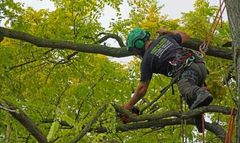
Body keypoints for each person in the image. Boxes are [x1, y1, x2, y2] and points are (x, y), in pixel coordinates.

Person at [122, 27, 213, 133]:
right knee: (190, 98)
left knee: (186, 88)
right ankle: (197, 116)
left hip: (186, 70)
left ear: (138, 45)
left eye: (134, 51)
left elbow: (142, 88)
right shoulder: (165, 38)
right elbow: (185, 36)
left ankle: (201, 92)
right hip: (199, 66)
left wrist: (129, 105)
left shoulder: (146, 60)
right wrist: (169, 31)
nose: (136, 54)